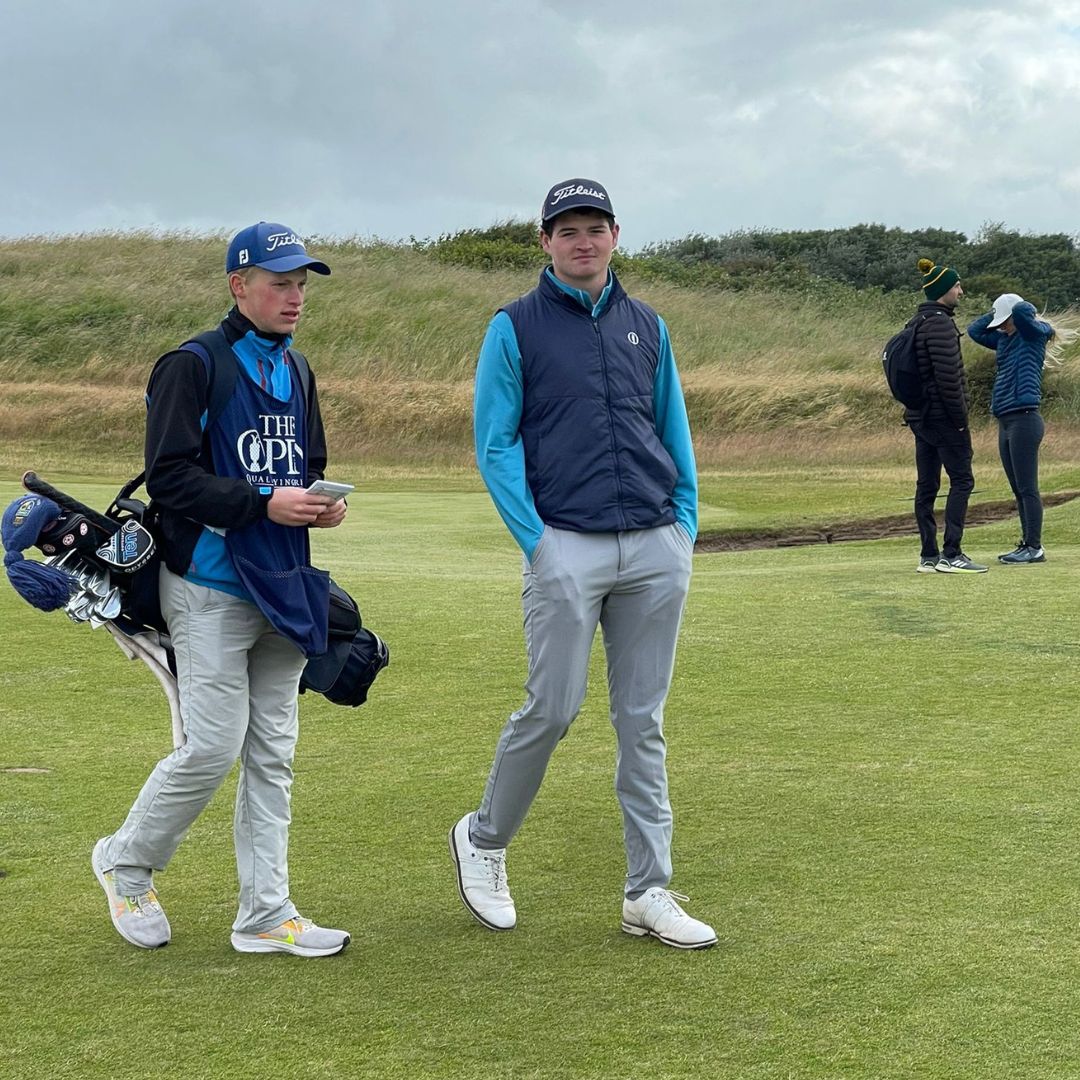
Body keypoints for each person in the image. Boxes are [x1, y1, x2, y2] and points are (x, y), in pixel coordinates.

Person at [450, 179, 716, 950]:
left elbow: (672, 426)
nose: (583, 242)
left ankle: (648, 890)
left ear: (615, 235)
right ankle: (485, 839)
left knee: (643, 722)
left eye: (594, 228)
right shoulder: (515, 327)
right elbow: (496, 442)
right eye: (567, 230)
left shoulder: (647, 325)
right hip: (564, 542)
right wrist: (537, 543)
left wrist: (685, 524)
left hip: (654, 541)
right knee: (553, 709)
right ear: (545, 242)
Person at [91, 222, 351, 957]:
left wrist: (324, 505)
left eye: (302, 284)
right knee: (209, 747)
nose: (295, 296)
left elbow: (309, 465)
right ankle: (126, 861)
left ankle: (265, 914)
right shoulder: (193, 363)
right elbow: (169, 476)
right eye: (281, 282)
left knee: (274, 753)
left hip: (284, 586)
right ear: (240, 285)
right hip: (207, 584)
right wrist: (264, 504)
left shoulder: (298, 371)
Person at [967, 293, 1074, 564]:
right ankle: (1026, 545)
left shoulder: (1033, 335)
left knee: (1028, 488)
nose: (1001, 327)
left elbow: (1026, 314)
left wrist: (1015, 306)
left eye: (1005, 321)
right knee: (1018, 489)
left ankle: (1034, 547)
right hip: (1005, 420)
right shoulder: (1004, 340)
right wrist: (996, 314)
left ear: (1016, 316)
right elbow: (974, 331)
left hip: (1025, 419)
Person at [907, 259, 987, 574]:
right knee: (963, 479)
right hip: (943, 417)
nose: (961, 291)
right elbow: (948, 380)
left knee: (927, 484)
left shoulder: (916, 322)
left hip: (920, 417)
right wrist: (960, 419)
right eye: (956, 286)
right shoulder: (940, 324)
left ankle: (928, 555)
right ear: (943, 290)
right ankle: (951, 553)